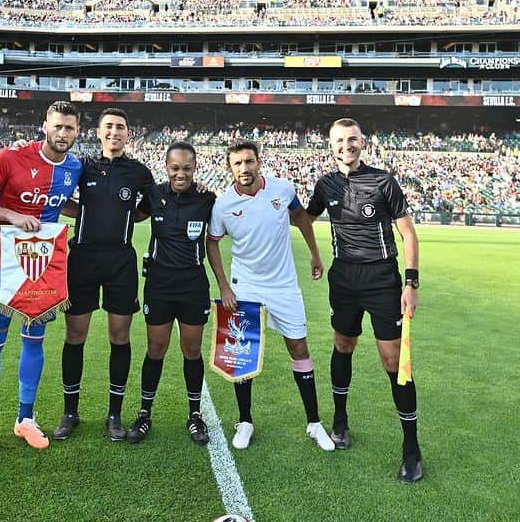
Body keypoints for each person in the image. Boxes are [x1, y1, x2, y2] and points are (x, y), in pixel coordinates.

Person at [0, 101, 83, 459]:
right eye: (57, 126)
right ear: (45, 125)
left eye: (69, 128)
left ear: (77, 132)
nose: (62, 134)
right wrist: (13, 215)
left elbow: (68, 204)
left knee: (34, 342)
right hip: (3, 267)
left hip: (43, 271)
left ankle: (25, 419)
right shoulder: (10, 158)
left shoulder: (74, 167)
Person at [304, 118, 424, 483]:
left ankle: (412, 448)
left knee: (393, 360)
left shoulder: (384, 181)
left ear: (362, 142)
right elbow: (304, 218)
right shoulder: (325, 184)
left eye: (351, 139)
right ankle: (340, 420)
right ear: (331, 145)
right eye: (339, 141)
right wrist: (313, 253)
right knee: (343, 344)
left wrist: (411, 283)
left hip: (382, 280)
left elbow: (408, 234)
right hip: (343, 278)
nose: (346, 146)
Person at [205, 139, 335, 452]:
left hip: (283, 285)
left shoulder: (283, 189)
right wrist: (224, 286)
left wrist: (315, 254)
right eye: (237, 163)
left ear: (259, 162)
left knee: (299, 348)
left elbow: (302, 217)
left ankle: (314, 423)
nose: (244, 168)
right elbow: (212, 243)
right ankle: (245, 421)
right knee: (241, 354)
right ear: (229, 168)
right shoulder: (222, 205)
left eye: (249, 161)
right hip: (245, 285)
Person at [51, 108, 155, 442]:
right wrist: (85, 212)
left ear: (129, 134)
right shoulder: (81, 166)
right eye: (108, 127)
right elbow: (61, 200)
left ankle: (114, 414)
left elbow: (147, 209)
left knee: (119, 337)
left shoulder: (139, 172)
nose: (114, 132)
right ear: (97, 132)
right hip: (82, 258)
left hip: (120, 261)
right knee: (75, 336)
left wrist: (122, 215)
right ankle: (70, 412)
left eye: (120, 127)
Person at [124, 141, 217, 446]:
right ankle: (144, 413)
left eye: (187, 169)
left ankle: (195, 415)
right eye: (175, 168)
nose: (181, 174)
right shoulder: (153, 194)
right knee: (156, 350)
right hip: (160, 285)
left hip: (193, 285)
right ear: (166, 168)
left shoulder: (207, 199)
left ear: (195, 169)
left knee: (191, 351)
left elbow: (221, 232)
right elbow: (133, 215)